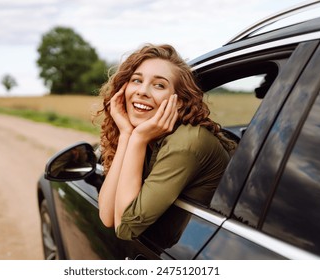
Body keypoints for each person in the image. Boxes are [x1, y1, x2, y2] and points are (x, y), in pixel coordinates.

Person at [96, 44, 236, 241]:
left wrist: (137, 139)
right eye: (136, 80)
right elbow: (107, 216)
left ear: (177, 102)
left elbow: (124, 228)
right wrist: (127, 134)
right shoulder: (149, 136)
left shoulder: (186, 143)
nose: (142, 91)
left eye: (159, 85)